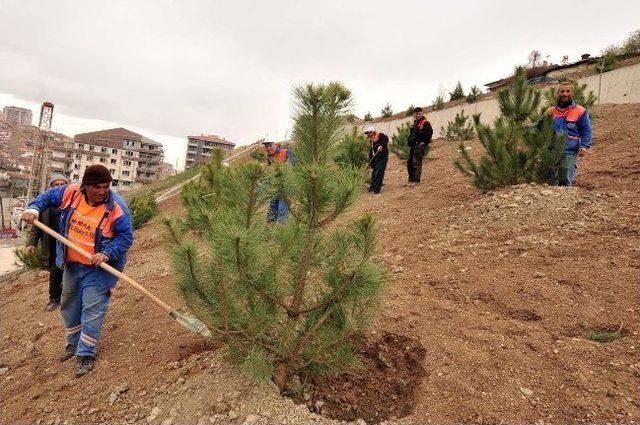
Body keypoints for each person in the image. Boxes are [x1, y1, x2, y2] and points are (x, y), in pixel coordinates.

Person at [22, 164, 133, 377]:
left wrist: (107, 253)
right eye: (97, 187)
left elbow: (125, 238)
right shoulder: (71, 192)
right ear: (85, 186)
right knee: (69, 305)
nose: (102, 191)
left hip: (99, 268)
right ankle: (73, 343)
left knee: (92, 309)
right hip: (72, 263)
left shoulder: (117, 207)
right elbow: (47, 197)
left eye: (106, 187)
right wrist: (33, 208)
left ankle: (86, 354)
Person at [26, 173, 69, 311]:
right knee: (55, 272)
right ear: (50, 187)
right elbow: (35, 227)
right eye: (56, 185)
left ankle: (68, 298)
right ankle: (54, 299)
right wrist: (31, 243)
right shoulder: (45, 205)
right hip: (51, 243)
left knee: (69, 271)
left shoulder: (70, 204)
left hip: (68, 244)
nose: (59, 187)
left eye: (62, 184)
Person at [543, 82, 593, 186]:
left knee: (565, 179)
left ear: (573, 93)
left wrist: (584, 146)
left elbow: (586, 130)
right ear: (557, 94)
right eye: (562, 91)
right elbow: (539, 126)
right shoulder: (550, 111)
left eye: (568, 91)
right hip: (551, 150)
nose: (565, 94)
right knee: (549, 181)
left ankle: (564, 201)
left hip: (569, 151)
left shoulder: (580, 111)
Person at [262, 140, 294, 223]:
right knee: (272, 210)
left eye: (270, 145)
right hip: (275, 187)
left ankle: (281, 231)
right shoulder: (269, 158)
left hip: (286, 186)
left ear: (275, 144)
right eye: (266, 146)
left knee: (282, 209)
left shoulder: (286, 152)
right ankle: (269, 233)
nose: (268, 148)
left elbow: (297, 166)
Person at [406, 107, 433, 186]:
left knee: (416, 162)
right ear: (414, 114)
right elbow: (412, 135)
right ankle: (411, 179)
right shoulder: (414, 123)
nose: (417, 115)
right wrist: (409, 142)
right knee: (409, 162)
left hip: (419, 146)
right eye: (416, 114)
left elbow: (429, 133)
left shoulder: (425, 123)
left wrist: (424, 142)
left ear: (422, 113)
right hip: (413, 146)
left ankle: (416, 180)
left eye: (419, 113)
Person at [364, 126, 389, 194]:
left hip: (382, 157)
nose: (367, 135)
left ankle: (376, 189)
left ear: (372, 132)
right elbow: (371, 153)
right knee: (374, 173)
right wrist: (369, 162)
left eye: (368, 133)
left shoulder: (380, 135)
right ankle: (372, 188)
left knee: (379, 172)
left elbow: (386, 139)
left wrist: (381, 146)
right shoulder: (372, 141)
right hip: (376, 159)